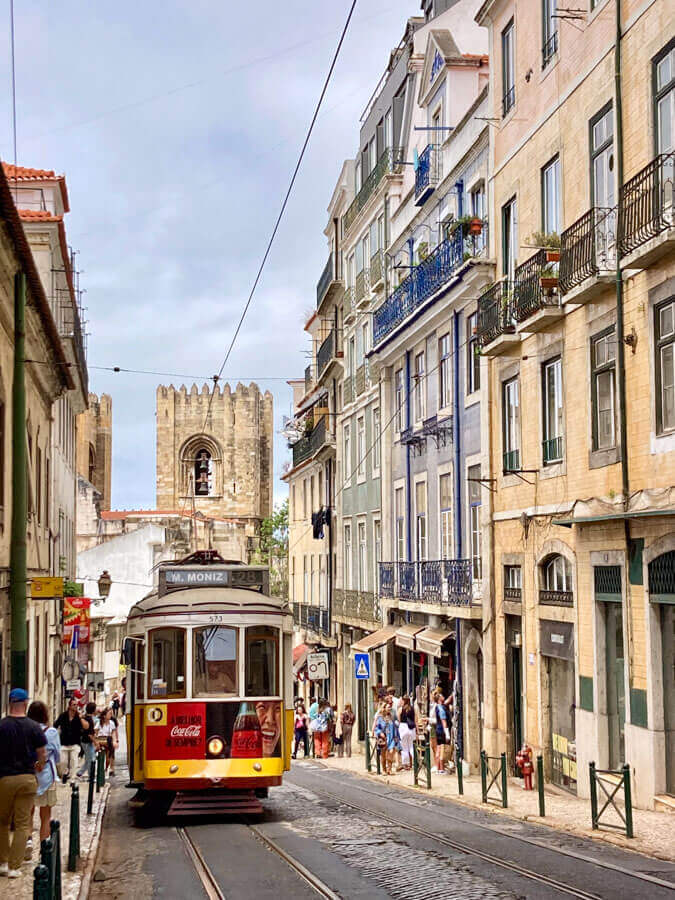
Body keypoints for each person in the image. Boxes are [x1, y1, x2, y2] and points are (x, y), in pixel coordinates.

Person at [0, 688, 47, 878]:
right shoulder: (34, 727)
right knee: (22, 824)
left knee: (2, 822)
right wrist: (37, 766)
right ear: (25, 704)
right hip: (27, 779)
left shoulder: (2, 726)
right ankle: (14, 867)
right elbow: (42, 754)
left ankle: (2, 862)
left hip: (5, 779)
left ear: (10, 703)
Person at [26, 702, 60, 845]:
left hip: (29, 775)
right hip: (46, 776)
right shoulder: (51, 732)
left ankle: (28, 840)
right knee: (45, 816)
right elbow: (57, 755)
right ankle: (43, 848)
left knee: (28, 811)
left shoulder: (26, 730)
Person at [54, 699, 90, 782]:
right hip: (64, 743)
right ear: (69, 706)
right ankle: (64, 774)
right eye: (74, 705)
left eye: (76, 705)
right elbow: (55, 725)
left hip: (75, 743)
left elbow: (86, 727)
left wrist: (81, 718)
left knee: (74, 762)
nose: (76, 706)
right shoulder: (63, 715)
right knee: (62, 762)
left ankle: (72, 779)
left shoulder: (79, 716)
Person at [76, 702, 97, 779]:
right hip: (87, 742)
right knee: (91, 759)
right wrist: (96, 743)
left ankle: (80, 772)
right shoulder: (89, 720)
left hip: (85, 741)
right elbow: (90, 734)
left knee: (88, 758)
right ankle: (91, 777)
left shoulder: (86, 718)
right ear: (93, 710)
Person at [96, 708, 119, 777]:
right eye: (109, 714)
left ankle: (106, 769)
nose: (110, 715)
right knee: (100, 757)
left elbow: (113, 733)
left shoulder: (111, 723)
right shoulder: (99, 723)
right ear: (104, 716)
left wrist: (115, 741)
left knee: (109, 757)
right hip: (101, 740)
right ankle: (101, 771)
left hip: (108, 740)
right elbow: (95, 733)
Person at [433, 691, 451, 774]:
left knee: (438, 749)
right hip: (442, 731)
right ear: (439, 699)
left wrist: (452, 695)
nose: (443, 697)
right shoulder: (441, 708)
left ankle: (438, 768)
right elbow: (444, 721)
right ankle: (441, 769)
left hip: (438, 729)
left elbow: (447, 701)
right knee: (442, 749)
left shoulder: (437, 707)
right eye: (442, 696)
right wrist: (447, 733)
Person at [398, 695, 416, 770]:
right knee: (412, 746)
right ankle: (414, 763)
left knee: (404, 747)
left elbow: (399, 720)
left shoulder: (401, 709)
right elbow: (415, 719)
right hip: (411, 728)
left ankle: (406, 764)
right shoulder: (413, 708)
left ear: (403, 701)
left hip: (403, 727)